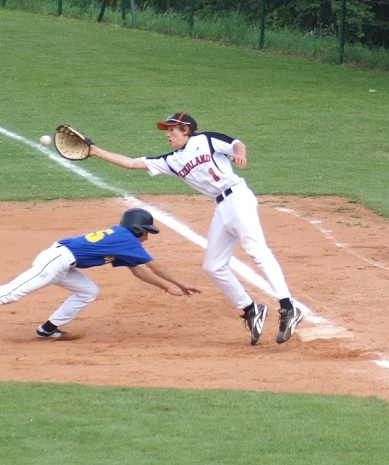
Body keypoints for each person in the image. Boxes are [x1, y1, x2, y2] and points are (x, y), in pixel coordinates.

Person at [86, 113, 303, 345]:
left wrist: (240, 153)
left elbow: (236, 144)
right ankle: (251, 309)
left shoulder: (206, 140)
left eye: (172, 130)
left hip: (238, 197)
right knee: (213, 266)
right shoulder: (172, 160)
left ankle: (288, 306)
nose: (168, 135)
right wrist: (95, 151)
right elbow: (131, 163)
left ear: (186, 129)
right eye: (167, 130)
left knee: (256, 250)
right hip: (222, 207)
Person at [0, 208, 200, 343]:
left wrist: (166, 288)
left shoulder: (121, 240)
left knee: (89, 291)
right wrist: (180, 282)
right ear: (136, 228)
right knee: (12, 293)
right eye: (146, 232)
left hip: (63, 263)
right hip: (56, 261)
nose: (147, 237)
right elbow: (155, 267)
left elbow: (138, 270)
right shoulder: (126, 239)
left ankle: (47, 330)